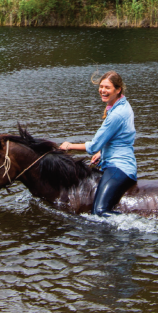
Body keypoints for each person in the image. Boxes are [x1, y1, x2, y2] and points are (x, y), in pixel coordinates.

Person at [59, 71, 136, 217]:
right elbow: (123, 137)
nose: (102, 90)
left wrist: (69, 146)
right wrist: (102, 153)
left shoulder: (117, 114)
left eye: (107, 87)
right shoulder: (122, 104)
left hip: (119, 167)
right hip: (118, 162)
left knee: (99, 212)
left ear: (118, 89)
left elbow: (94, 146)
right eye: (101, 86)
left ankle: (138, 225)